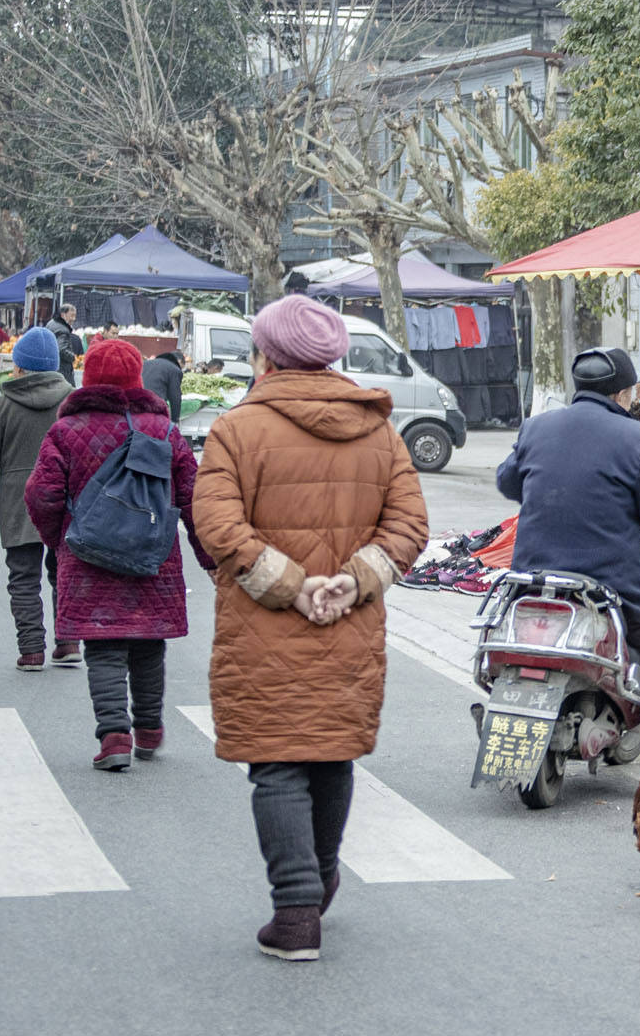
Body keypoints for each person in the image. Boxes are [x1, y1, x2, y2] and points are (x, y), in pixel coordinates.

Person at [191, 294, 428, 963]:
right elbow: (409, 525)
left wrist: (291, 588)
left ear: (263, 355)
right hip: (349, 625)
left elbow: (215, 524)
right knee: (329, 751)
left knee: (277, 761)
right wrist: (352, 581)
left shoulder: (236, 430)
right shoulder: (379, 430)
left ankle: (295, 911)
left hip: (264, 625)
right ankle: (320, 878)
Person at [497, 346, 640, 760]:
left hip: (532, 583)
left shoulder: (536, 428)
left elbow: (508, 483)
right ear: (624, 395)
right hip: (610, 586)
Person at [25, 339, 212, 771]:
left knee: (103, 644)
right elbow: (194, 497)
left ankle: (113, 737)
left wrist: (59, 539)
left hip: (89, 555)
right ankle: (149, 729)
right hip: (154, 556)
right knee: (148, 643)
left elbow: (42, 493)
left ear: (87, 378)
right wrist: (209, 558)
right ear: (137, 378)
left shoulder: (66, 431)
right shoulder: (163, 431)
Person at [0, 328, 75, 669]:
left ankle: (31, 650)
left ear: (19, 367)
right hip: (65, 503)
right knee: (64, 572)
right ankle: (68, 642)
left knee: (23, 577)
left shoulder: (2, 406)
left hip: (20, 503)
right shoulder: (72, 402)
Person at [46, 302, 83, 386]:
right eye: (72, 315)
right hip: (62, 370)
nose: (74, 319)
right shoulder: (62, 330)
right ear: (63, 315)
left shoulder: (51, 323)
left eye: (75, 316)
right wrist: (73, 357)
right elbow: (62, 350)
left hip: (51, 366)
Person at [144, 347, 185, 421]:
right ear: (179, 362)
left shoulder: (145, 363)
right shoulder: (174, 369)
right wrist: (175, 420)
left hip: (134, 406)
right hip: (154, 409)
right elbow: (175, 397)